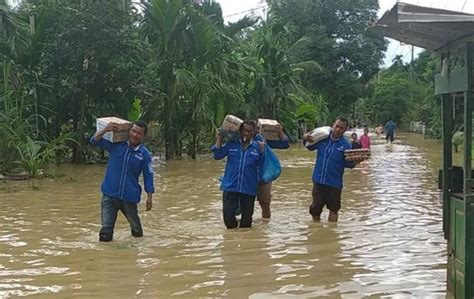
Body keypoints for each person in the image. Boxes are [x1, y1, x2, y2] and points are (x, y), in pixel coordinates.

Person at [90, 120, 154, 242]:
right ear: (129, 131)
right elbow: (94, 141)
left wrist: (149, 196)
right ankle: (105, 258)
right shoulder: (116, 145)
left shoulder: (144, 154)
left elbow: (148, 175)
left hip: (129, 197)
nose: (135, 135)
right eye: (133, 131)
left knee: (137, 232)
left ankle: (133, 256)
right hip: (109, 194)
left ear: (143, 136)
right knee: (105, 233)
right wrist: (105, 130)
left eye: (139, 133)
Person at [302, 116, 361, 222]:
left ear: (345, 130)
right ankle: (316, 231)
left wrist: (356, 161)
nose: (338, 129)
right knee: (315, 209)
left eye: (341, 128)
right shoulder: (322, 138)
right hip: (319, 180)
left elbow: (348, 164)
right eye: (337, 126)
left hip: (335, 183)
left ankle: (332, 232)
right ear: (333, 125)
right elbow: (309, 147)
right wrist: (305, 137)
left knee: (334, 209)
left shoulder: (346, 145)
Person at [212, 120, 264, 229]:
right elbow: (217, 156)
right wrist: (220, 138)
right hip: (231, 186)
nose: (247, 133)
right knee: (228, 217)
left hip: (248, 188)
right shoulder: (231, 144)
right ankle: (232, 239)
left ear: (254, 132)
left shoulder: (258, 147)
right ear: (240, 131)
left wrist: (263, 151)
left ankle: (245, 242)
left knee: (246, 221)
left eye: (250, 131)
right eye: (245, 130)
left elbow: (263, 166)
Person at [255, 123, 289, 219]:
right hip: (247, 176)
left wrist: (280, 132)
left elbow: (285, 144)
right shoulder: (241, 140)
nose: (256, 131)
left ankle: (265, 226)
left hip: (264, 175)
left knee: (265, 204)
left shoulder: (264, 140)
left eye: (258, 128)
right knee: (245, 204)